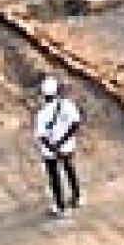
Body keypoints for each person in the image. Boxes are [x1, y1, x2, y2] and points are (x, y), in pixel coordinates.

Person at [34, 76, 83, 215]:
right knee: (69, 169)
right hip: (67, 146)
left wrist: (53, 148)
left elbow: (42, 136)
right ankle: (77, 196)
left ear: (44, 95)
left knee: (54, 177)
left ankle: (60, 206)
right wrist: (63, 142)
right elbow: (75, 124)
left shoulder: (42, 114)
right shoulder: (67, 104)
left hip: (50, 151)